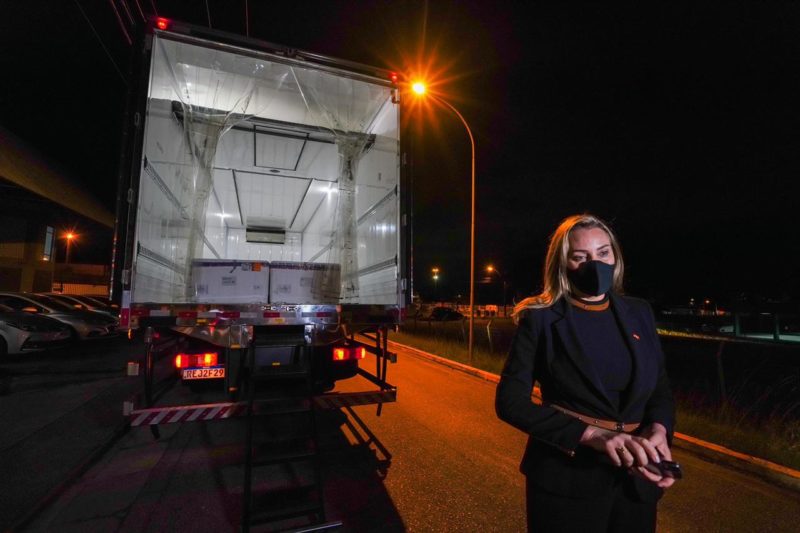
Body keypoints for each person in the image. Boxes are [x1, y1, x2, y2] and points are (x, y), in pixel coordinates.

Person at [495, 213, 676, 533]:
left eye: (603, 253)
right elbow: (510, 402)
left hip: (636, 479)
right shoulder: (540, 318)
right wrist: (592, 435)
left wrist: (659, 431)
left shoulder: (639, 312)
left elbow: (659, 388)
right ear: (562, 264)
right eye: (581, 257)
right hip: (567, 480)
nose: (596, 264)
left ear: (615, 256)